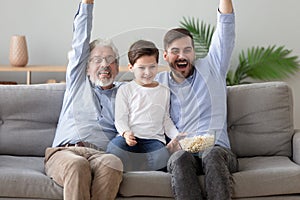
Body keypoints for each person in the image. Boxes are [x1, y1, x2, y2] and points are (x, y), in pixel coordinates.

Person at [155, 0, 239, 199]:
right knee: (180, 157)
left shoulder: (212, 67)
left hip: (218, 151)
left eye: (187, 50)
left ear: (194, 53)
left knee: (211, 154)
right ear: (166, 56)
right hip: (183, 154)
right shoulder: (158, 84)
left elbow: (226, 28)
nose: (182, 55)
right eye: (175, 51)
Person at [44, 0, 123, 200]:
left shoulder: (125, 93)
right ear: (86, 67)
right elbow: (80, 43)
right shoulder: (78, 83)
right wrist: (87, 4)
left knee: (113, 163)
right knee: (78, 165)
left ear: (118, 67)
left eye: (111, 60)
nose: (105, 64)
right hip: (66, 152)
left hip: (100, 155)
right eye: (97, 60)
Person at [107, 40, 179, 171]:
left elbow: (166, 119)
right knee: (114, 149)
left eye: (152, 67)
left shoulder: (164, 91)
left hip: (154, 140)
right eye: (141, 68)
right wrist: (125, 133)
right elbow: (120, 118)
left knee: (162, 159)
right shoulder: (125, 90)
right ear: (131, 67)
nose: (148, 72)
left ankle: (144, 171)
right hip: (131, 137)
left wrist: (176, 136)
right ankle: (129, 168)